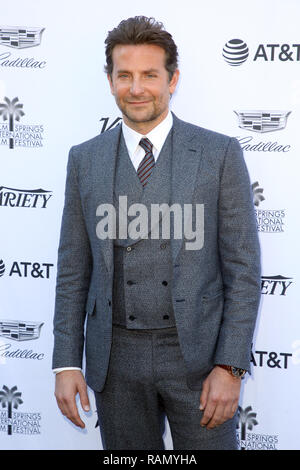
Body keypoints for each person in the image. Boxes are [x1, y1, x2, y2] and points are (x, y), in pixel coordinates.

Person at [52, 16, 261, 450]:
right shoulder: (83, 159)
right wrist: (66, 363)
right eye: (124, 75)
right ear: (109, 80)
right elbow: (74, 269)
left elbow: (243, 269)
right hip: (116, 363)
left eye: (150, 75)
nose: (137, 88)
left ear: (173, 79)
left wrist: (230, 366)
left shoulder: (219, 153)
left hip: (200, 363)